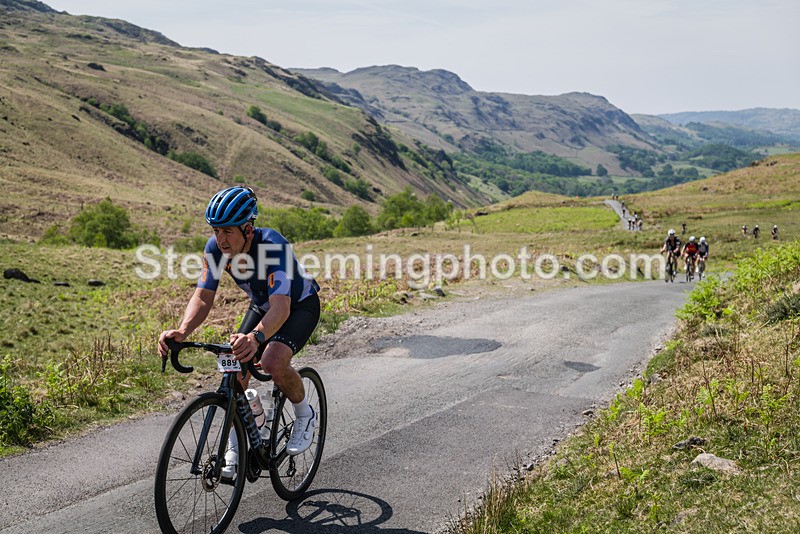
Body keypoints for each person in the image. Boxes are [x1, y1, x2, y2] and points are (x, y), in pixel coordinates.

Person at [157, 186, 321, 478]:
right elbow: (204, 296)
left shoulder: (272, 246)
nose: (220, 239)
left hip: (298, 306)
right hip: (262, 306)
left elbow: (281, 308)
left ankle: (304, 415)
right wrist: (182, 331)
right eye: (216, 230)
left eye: (228, 231)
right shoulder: (215, 250)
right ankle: (246, 431)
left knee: (272, 362)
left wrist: (256, 338)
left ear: (247, 229)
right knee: (233, 370)